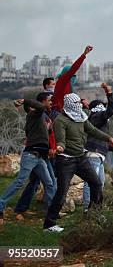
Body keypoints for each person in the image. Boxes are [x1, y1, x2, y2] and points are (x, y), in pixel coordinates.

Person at [14, 46, 93, 216]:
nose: (74, 80)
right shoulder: (63, 83)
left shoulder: (69, 90)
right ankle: (43, 209)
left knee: (43, 176)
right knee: (47, 173)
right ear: (67, 76)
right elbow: (72, 69)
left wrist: (82, 101)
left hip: (59, 122)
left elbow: (73, 101)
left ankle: (31, 207)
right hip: (57, 121)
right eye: (73, 77)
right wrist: (83, 56)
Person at [43, 93, 113, 232]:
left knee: (96, 184)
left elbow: (93, 130)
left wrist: (108, 138)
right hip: (66, 160)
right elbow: (61, 139)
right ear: (70, 104)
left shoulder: (82, 117)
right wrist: (59, 147)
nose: (80, 104)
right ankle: (49, 225)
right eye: (76, 103)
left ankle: (93, 214)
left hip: (80, 158)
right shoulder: (61, 121)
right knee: (62, 192)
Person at [0, 93, 56, 225]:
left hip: (40, 157)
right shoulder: (33, 115)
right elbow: (40, 108)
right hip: (31, 155)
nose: (51, 103)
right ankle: (1, 205)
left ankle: (52, 212)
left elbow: (46, 135)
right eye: (49, 100)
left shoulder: (42, 118)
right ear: (31, 108)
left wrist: (49, 130)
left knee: (49, 183)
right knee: (20, 181)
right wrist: (25, 100)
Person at [82, 83, 113, 210]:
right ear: (98, 108)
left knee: (99, 183)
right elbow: (110, 111)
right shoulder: (98, 117)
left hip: (98, 155)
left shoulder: (96, 119)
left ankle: (94, 208)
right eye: (102, 106)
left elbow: (99, 140)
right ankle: (87, 209)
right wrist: (109, 93)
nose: (105, 109)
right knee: (91, 183)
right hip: (93, 155)